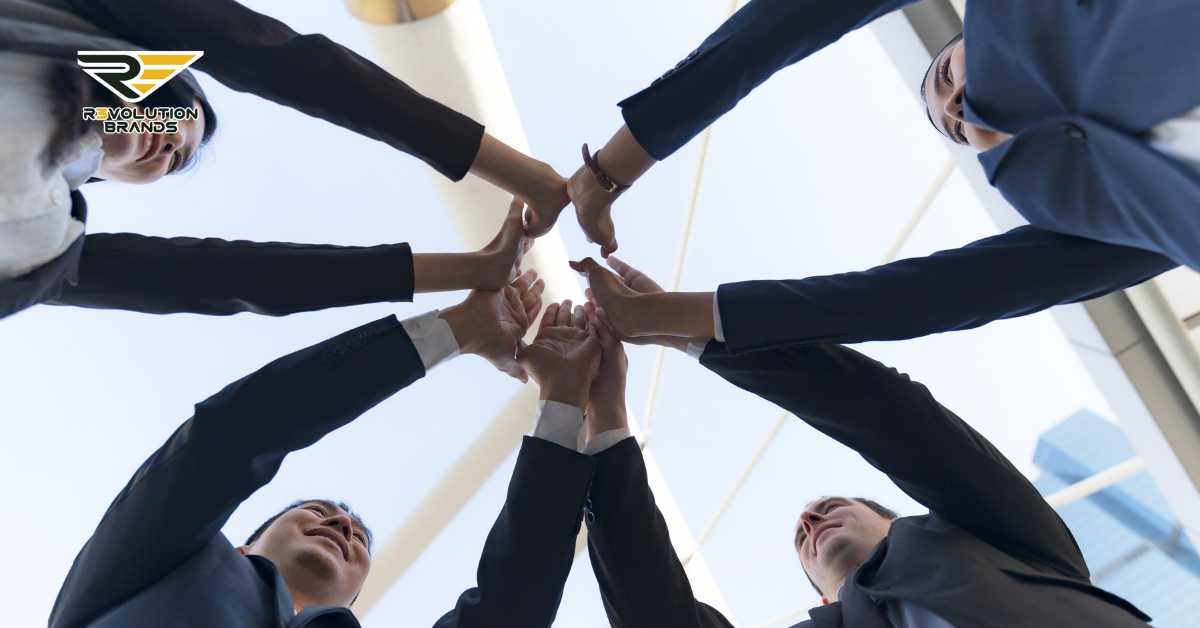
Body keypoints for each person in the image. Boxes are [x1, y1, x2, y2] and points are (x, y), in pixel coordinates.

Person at [526, 0, 1196, 350]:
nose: (957, 112)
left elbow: (789, 20)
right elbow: (932, 295)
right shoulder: (1066, 206)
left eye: (944, 77)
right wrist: (666, 315)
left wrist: (613, 166)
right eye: (954, 130)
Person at [575, 257, 1153, 627]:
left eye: (830, 508)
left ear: (902, 520)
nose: (809, 519)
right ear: (825, 602)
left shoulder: (1012, 547)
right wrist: (602, 418)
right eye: (804, 537)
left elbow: (894, 419)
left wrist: (692, 328)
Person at [48, 262, 550, 628]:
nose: (342, 526)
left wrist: (572, 408)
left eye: (356, 540)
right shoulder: (166, 558)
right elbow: (232, 435)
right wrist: (457, 331)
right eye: (315, 510)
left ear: (352, 599)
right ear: (243, 545)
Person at [1, 0, 567, 319]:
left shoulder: (45, 250)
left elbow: (216, 276)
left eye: (177, 159)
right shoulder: (54, 25)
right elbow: (268, 54)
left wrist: (475, 271)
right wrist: (526, 176)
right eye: (166, 107)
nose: (169, 141)